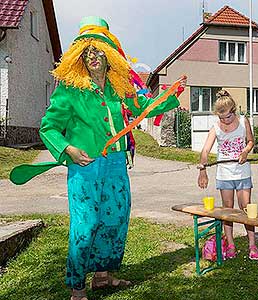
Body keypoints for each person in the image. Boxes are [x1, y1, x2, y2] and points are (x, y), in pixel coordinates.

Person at [10, 16, 186, 300]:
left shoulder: (118, 88)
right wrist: (68, 149)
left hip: (116, 165)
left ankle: (104, 277)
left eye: (99, 50)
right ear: (80, 55)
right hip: (85, 167)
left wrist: (169, 94)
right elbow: (49, 127)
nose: (93, 56)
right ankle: (77, 287)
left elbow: (143, 107)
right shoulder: (70, 90)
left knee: (115, 219)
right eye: (88, 51)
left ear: (110, 56)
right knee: (86, 224)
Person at [197, 89, 258, 261]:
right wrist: (203, 170)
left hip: (242, 172)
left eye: (228, 117)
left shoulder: (243, 122)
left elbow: (251, 141)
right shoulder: (216, 127)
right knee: (227, 210)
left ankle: (252, 244)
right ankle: (231, 244)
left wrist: (246, 151)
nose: (225, 121)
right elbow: (205, 151)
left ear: (234, 111)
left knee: (246, 208)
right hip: (224, 175)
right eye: (221, 117)